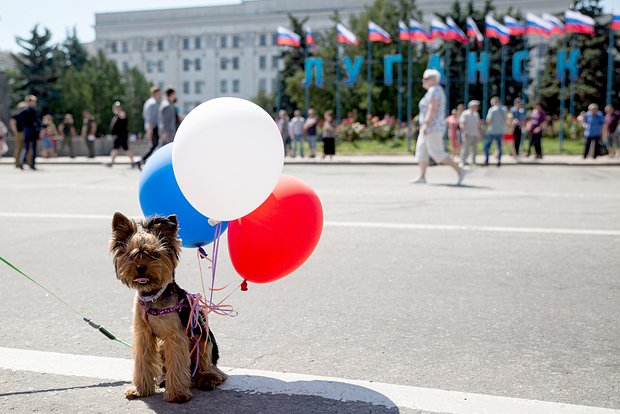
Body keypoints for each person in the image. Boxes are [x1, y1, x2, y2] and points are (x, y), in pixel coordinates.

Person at [411, 69, 466, 185]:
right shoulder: (434, 90)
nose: (423, 81)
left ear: (432, 80)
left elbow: (432, 108)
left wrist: (426, 123)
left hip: (432, 127)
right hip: (428, 127)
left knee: (437, 153)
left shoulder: (434, 90)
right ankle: (422, 176)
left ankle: (460, 170)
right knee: (421, 151)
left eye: (425, 79)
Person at [136, 86, 162, 168]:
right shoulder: (153, 103)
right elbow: (150, 118)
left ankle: (143, 160)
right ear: (155, 93)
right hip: (153, 127)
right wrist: (150, 130)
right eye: (159, 93)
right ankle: (143, 160)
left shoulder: (149, 102)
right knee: (155, 145)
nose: (160, 95)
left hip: (152, 127)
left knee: (155, 145)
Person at [108, 102, 136, 167]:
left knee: (126, 149)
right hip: (118, 137)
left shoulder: (122, 114)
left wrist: (117, 112)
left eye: (117, 107)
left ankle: (132, 162)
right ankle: (112, 162)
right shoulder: (116, 116)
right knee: (115, 149)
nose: (116, 108)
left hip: (122, 136)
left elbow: (122, 116)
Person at [484, 96, 507, 167]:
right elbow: (506, 119)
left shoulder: (492, 110)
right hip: (501, 131)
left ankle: (487, 160)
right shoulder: (504, 109)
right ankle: (499, 161)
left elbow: (488, 120)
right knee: (499, 147)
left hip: (492, 131)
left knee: (487, 146)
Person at [459, 100, 481, 167]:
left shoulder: (476, 114)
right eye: (475, 106)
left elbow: (478, 125)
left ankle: (473, 162)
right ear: (471, 106)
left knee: (474, 150)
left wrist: (479, 133)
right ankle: (462, 161)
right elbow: (462, 124)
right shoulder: (465, 113)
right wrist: (464, 132)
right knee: (465, 149)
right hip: (467, 134)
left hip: (475, 134)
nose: (477, 107)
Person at [22, 95, 41, 170]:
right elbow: (35, 121)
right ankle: (28, 162)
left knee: (29, 148)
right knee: (30, 148)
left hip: (29, 130)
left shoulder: (28, 110)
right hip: (30, 130)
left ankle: (28, 162)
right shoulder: (28, 111)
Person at [9, 101, 27, 169]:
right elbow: (12, 123)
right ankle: (17, 162)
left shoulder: (21, 114)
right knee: (19, 148)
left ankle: (19, 162)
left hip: (22, 132)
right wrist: (15, 132)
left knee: (21, 148)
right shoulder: (16, 114)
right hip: (19, 132)